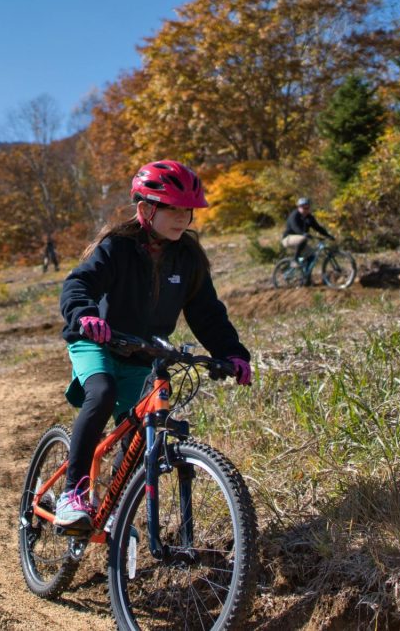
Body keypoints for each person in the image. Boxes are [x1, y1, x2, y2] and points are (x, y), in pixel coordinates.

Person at [55, 160, 252, 529]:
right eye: (173, 209)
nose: (182, 218)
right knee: (103, 392)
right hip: (97, 340)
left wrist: (232, 354)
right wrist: (85, 315)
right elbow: (78, 285)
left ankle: (113, 508)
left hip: (142, 353)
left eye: (187, 210)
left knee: (134, 437)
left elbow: (207, 313)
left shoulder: (189, 258)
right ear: (146, 209)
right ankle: (73, 492)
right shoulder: (117, 247)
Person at [281, 197, 334, 266]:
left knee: (311, 256)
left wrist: (328, 235)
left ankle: (305, 274)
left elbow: (318, 228)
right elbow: (295, 227)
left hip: (301, 240)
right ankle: (295, 259)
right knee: (304, 238)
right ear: (299, 208)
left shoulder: (309, 217)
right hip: (288, 239)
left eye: (307, 208)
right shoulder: (294, 215)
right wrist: (303, 233)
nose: (306, 210)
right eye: (304, 208)